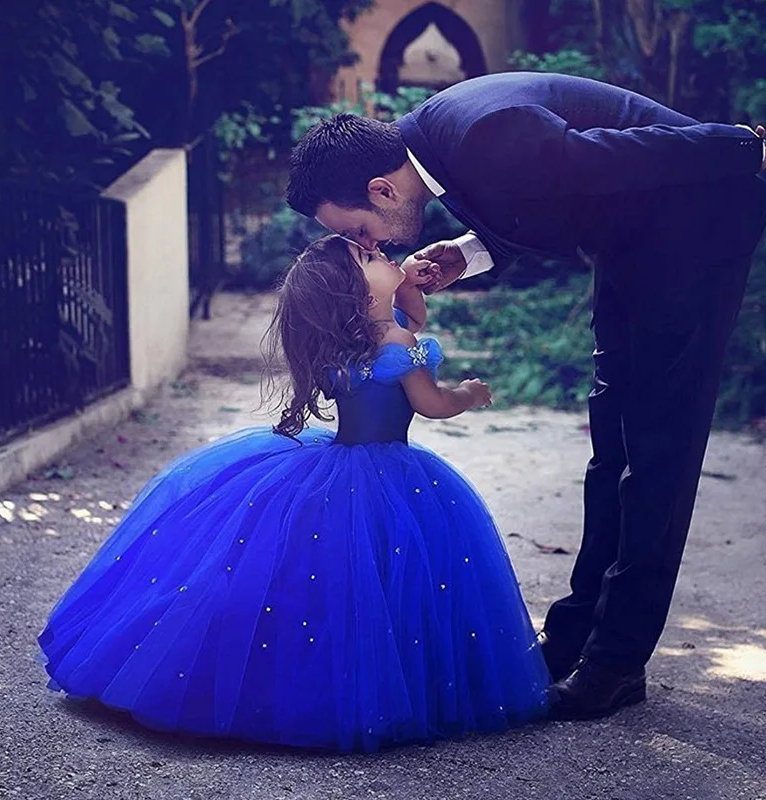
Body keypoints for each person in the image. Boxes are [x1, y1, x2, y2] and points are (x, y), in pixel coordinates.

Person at [285, 71, 766, 720]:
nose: (375, 246)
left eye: (364, 230)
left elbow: (622, 157)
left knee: (658, 450)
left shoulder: (477, 134)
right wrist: (465, 253)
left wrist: (741, 143)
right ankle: (572, 637)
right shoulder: (441, 142)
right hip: (637, 240)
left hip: (694, 227)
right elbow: (552, 196)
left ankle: (616, 663)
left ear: (382, 188)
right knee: (613, 443)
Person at [38, 235, 550, 752]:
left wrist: (409, 281)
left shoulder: (351, 341)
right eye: (369, 258)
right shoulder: (396, 344)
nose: (383, 254)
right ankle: (375, 688)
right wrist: (469, 393)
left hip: (344, 460)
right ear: (356, 293)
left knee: (325, 575)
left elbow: (409, 317)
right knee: (385, 574)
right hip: (389, 470)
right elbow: (433, 402)